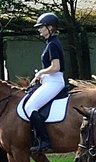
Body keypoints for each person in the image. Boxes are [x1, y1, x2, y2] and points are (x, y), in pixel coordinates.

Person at [23, 13, 67, 153]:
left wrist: (41, 73)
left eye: (41, 27)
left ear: (50, 27)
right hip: (49, 81)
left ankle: (45, 141)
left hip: (54, 82)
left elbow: (56, 67)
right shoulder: (51, 43)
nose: (39, 30)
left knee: (30, 107)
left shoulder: (53, 44)